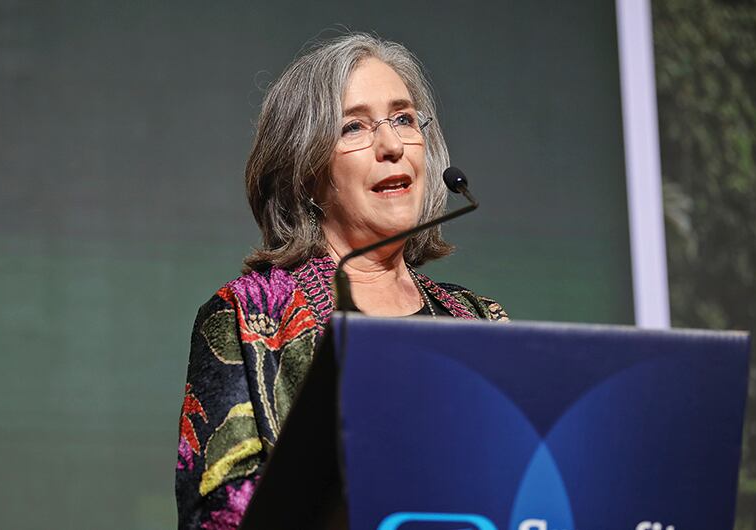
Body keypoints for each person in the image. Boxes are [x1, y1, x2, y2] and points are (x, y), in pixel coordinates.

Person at [175, 33, 509, 529]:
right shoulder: (248, 316)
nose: (393, 145)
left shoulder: (482, 322)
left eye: (403, 118)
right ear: (306, 171)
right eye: (354, 127)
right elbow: (217, 513)